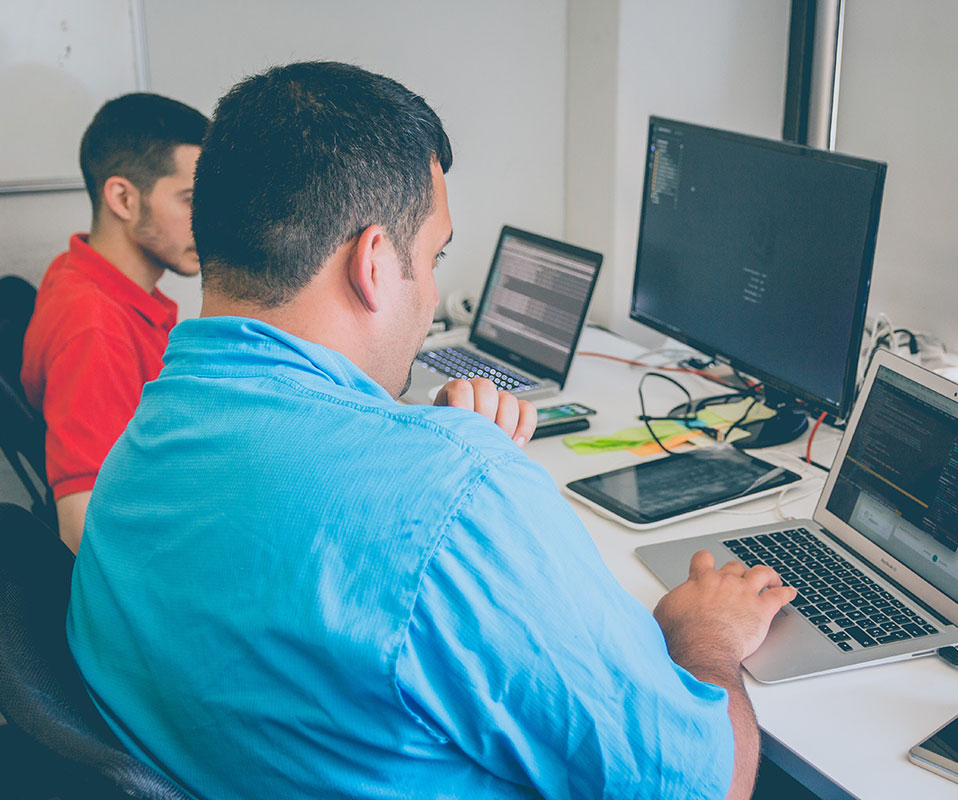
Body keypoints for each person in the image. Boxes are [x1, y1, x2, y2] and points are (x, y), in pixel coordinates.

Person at [67, 61, 795, 799]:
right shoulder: (454, 497)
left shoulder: (145, 435)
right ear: (375, 263)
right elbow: (705, 786)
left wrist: (425, 460)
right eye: (434, 256)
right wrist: (707, 638)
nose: (436, 290)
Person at [21, 93, 209, 553]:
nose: (208, 222)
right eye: (190, 200)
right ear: (123, 198)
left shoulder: (80, 270)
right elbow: (81, 529)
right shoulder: (94, 329)